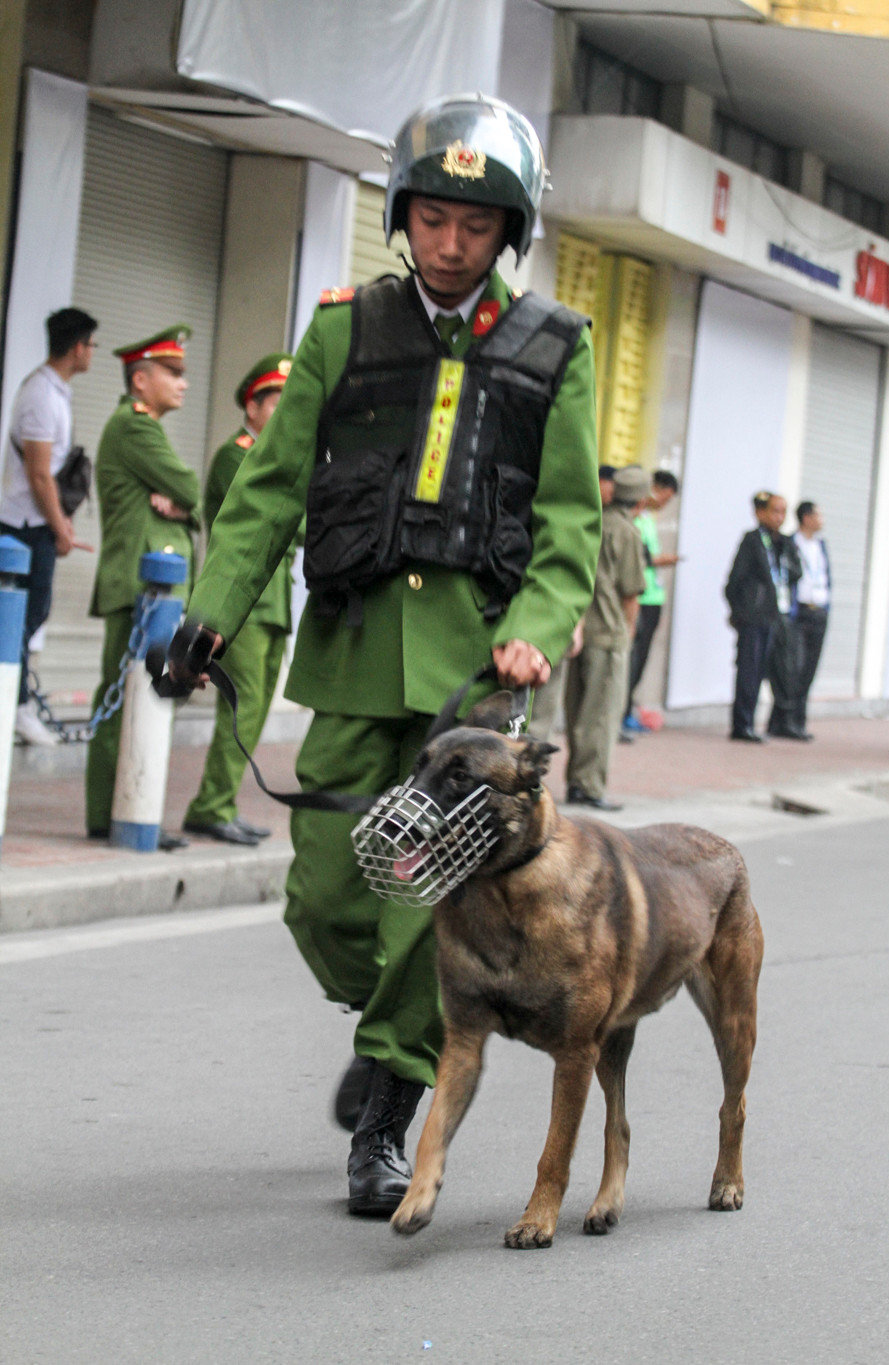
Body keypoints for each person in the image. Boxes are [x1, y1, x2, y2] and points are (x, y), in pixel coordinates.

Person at [166, 93, 601, 1217]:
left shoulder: (555, 348)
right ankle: (400, 1023)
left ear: (510, 232)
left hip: (477, 682)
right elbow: (266, 497)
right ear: (403, 219)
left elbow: (567, 530)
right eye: (434, 221)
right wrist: (208, 612)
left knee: (426, 898)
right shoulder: (342, 331)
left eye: (478, 225)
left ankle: (393, 1102)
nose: (453, 247)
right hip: (356, 651)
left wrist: (535, 633)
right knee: (324, 897)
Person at [85, 325, 200, 847]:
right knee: (125, 700)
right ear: (140, 380)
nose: (184, 383)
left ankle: (128, 810)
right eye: (172, 373)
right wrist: (182, 501)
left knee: (143, 700)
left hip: (149, 591)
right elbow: (191, 487)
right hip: (140, 587)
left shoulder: (142, 429)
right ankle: (111, 816)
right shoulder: (135, 429)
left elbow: (182, 495)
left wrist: (179, 505)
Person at [183, 353, 296, 846]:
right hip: (244, 605)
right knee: (239, 706)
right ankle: (210, 804)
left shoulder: (279, 458)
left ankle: (222, 802)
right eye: (277, 402)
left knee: (253, 709)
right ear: (252, 407)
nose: (286, 411)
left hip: (274, 602)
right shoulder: (239, 454)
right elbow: (277, 523)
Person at [0, 307, 97, 745]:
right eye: (91, 345)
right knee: (20, 619)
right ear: (77, 347)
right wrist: (60, 529)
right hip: (23, 527)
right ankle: (16, 706)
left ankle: (15, 703)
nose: (91, 353)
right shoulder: (41, 395)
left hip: (36, 523)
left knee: (28, 618)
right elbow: (39, 474)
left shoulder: (55, 391)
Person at [563, 463, 648, 811]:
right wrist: (628, 632)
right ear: (640, 501)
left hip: (582, 628)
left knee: (578, 711)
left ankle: (576, 781)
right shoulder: (627, 532)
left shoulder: (595, 521)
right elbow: (631, 593)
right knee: (601, 715)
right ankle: (589, 785)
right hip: (609, 632)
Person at [528, 463, 614, 742]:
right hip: (527, 614)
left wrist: (575, 621)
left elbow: (575, 569)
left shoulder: (573, 515)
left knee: (539, 718)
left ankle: (526, 779)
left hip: (551, 618)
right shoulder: (571, 512)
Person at [724, 491, 802, 742]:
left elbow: (795, 573)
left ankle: (777, 721)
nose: (780, 517)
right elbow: (734, 582)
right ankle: (742, 724)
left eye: (783, 512)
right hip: (755, 618)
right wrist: (741, 613)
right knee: (749, 671)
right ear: (760, 512)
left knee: (776, 670)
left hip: (775, 616)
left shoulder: (783, 543)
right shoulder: (753, 540)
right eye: (775, 511)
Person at [623, 469, 680, 735]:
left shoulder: (648, 518)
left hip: (653, 597)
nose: (663, 503)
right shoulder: (632, 518)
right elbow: (640, 557)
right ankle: (621, 713)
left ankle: (628, 709)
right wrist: (663, 560)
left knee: (641, 659)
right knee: (631, 659)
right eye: (663, 496)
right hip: (639, 598)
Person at [791, 500, 831, 741]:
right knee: (793, 666)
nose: (822, 519)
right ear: (806, 518)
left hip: (819, 612)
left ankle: (799, 721)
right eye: (818, 514)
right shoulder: (791, 543)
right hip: (800, 613)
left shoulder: (820, 546)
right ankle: (784, 719)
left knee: (809, 670)